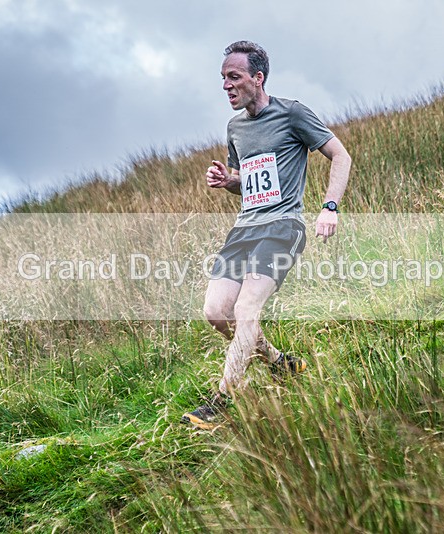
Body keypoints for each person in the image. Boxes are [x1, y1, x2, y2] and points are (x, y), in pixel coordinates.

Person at [181, 41, 351, 429]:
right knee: (215, 313)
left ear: (257, 78)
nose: (226, 85)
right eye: (223, 78)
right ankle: (279, 362)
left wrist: (330, 207)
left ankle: (221, 403)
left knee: (245, 311)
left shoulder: (292, 114)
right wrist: (227, 180)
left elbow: (341, 155)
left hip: (282, 227)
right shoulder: (235, 127)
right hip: (244, 230)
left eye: (234, 77)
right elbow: (248, 182)